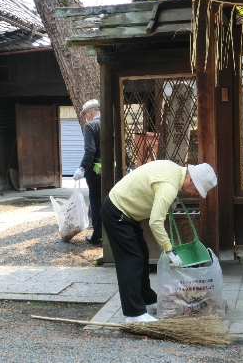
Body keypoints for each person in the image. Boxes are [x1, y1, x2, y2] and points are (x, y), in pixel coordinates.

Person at [101, 160, 217, 322]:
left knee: (141, 253)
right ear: (191, 180)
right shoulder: (169, 186)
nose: (194, 195)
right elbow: (155, 222)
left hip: (127, 213)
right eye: (197, 190)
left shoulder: (174, 171)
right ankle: (134, 313)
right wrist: (170, 251)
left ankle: (147, 300)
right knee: (131, 259)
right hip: (117, 210)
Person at [73, 99, 103, 246]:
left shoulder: (91, 126)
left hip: (96, 171)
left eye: (86, 115)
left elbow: (90, 150)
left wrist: (82, 168)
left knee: (96, 202)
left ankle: (97, 236)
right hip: (115, 170)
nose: (86, 118)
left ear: (90, 113)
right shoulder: (113, 124)